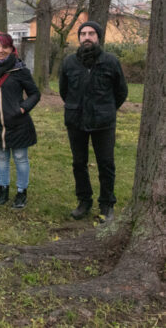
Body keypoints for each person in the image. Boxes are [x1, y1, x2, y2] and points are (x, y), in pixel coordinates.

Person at [60, 21, 128, 222]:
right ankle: (84, 201)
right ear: (79, 38)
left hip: (103, 122)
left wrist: (106, 108)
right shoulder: (69, 62)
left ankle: (107, 203)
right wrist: (76, 106)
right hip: (76, 120)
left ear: (98, 37)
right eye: (83, 34)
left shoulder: (110, 61)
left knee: (106, 163)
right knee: (79, 163)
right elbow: (64, 90)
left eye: (91, 33)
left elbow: (121, 91)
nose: (87, 37)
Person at [0, 33, 40, 209]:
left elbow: (35, 93)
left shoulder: (20, 70)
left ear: (12, 49)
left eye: (4, 47)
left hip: (18, 123)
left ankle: (21, 192)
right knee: (2, 158)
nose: (1, 50)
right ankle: (2, 190)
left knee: (20, 157)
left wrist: (22, 108)